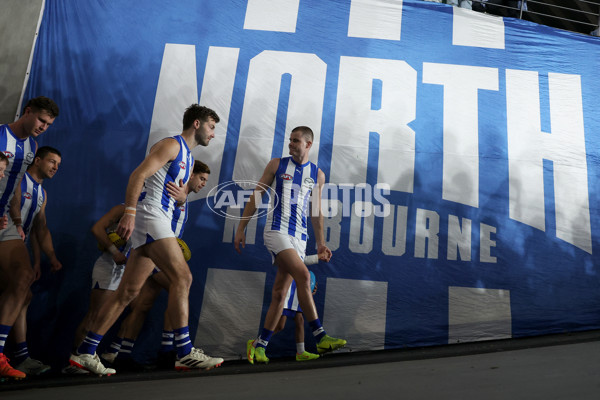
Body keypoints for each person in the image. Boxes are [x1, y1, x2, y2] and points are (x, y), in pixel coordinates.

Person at [69, 104, 222, 375]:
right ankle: (184, 352)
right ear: (196, 124)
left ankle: (85, 352)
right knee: (183, 278)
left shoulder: (186, 157)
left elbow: (173, 192)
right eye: (211, 127)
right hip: (151, 217)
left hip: (155, 218)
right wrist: (129, 212)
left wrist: (183, 197)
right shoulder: (172, 145)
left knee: (127, 293)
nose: (213, 134)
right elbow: (138, 175)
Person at [234, 126, 346, 364]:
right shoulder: (277, 164)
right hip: (277, 232)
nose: (291, 144)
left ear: (308, 145)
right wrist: (241, 227)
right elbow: (257, 195)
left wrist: (321, 244)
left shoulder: (318, 174)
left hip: (300, 238)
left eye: (296, 141)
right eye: (290, 140)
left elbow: (316, 212)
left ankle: (259, 345)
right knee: (304, 277)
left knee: (279, 293)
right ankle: (321, 335)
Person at [100, 161, 210, 371]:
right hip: (154, 248)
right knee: (179, 286)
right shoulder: (170, 190)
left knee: (141, 305)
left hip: (155, 250)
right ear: (190, 175)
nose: (203, 184)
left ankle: (119, 352)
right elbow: (146, 205)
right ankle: (171, 350)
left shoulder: (184, 198)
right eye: (201, 178)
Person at [0, 96, 59, 380]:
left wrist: (16, 220)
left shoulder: (31, 146)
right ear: (27, 112)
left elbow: (12, 187)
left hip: (5, 223)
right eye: (40, 120)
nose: (43, 127)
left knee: (24, 279)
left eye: (48, 124)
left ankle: (3, 353)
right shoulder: (0, 135)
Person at [6, 146, 63, 376]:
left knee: (23, 296)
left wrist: (45, 259)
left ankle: (20, 357)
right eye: (52, 162)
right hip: (5, 244)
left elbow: (40, 228)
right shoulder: (18, 180)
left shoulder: (42, 193)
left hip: (20, 250)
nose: (55, 168)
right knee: (21, 294)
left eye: (58, 165)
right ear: (37, 160)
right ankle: (18, 356)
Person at [273, 252, 328, 362]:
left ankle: (301, 352)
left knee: (300, 320)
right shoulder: (285, 245)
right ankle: (257, 344)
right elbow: (297, 261)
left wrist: (309, 287)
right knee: (280, 325)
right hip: (288, 286)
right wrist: (317, 257)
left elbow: (301, 262)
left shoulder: (298, 241)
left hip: (297, 284)